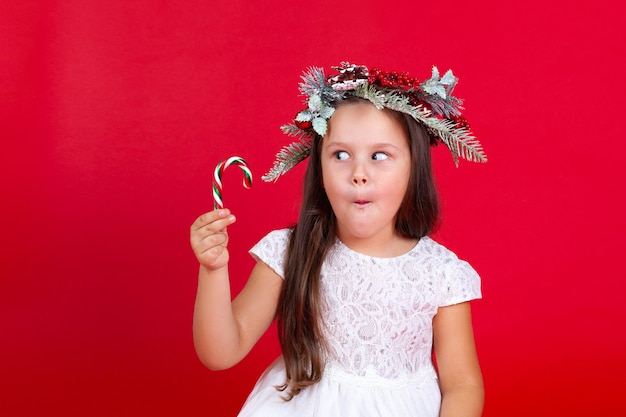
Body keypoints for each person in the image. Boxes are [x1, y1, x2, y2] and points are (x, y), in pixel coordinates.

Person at [190, 62, 487, 417]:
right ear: (320, 166)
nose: (358, 173)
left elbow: (462, 384)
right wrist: (212, 270)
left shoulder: (440, 273)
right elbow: (221, 352)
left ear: (413, 167)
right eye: (340, 155)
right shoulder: (291, 251)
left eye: (379, 156)